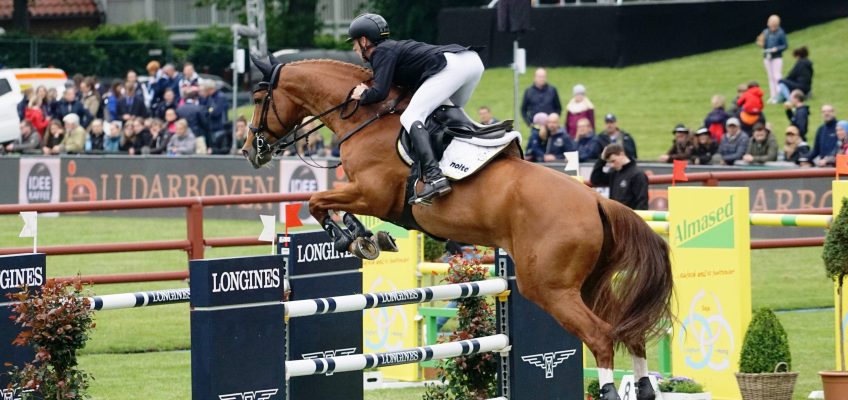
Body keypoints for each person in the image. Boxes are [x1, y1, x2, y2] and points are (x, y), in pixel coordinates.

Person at [348, 13, 482, 205]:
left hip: (453, 66)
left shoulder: (381, 51)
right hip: (471, 61)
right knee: (447, 110)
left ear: (364, 40)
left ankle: (434, 177)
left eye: (354, 43)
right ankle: (467, 155)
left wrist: (362, 95)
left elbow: (379, 92)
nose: (353, 48)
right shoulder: (392, 48)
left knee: (411, 116)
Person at [590, 143, 648, 210]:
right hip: (615, 217)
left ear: (622, 154)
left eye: (613, 161)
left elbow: (642, 202)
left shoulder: (637, 175)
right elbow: (595, 179)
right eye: (609, 162)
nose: (612, 165)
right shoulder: (614, 172)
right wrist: (601, 159)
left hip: (629, 218)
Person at [758, 14, 788, 103]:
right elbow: (762, 43)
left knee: (777, 76)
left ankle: (780, 95)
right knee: (770, 77)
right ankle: (773, 95)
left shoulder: (780, 32)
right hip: (767, 56)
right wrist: (761, 44)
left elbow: (785, 45)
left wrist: (777, 49)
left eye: (774, 25)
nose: (772, 27)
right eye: (771, 25)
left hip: (777, 57)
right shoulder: (765, 32)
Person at [200, 80, 229, 154]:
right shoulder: (210, 97)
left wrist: (209, 111)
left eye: (206, 90)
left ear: (210, 89)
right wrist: (209, 111)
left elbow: (215, 112)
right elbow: (205, 109)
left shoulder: (220, 97)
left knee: (220, 148)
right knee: (212, 148)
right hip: (212, 127)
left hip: (220, 127)